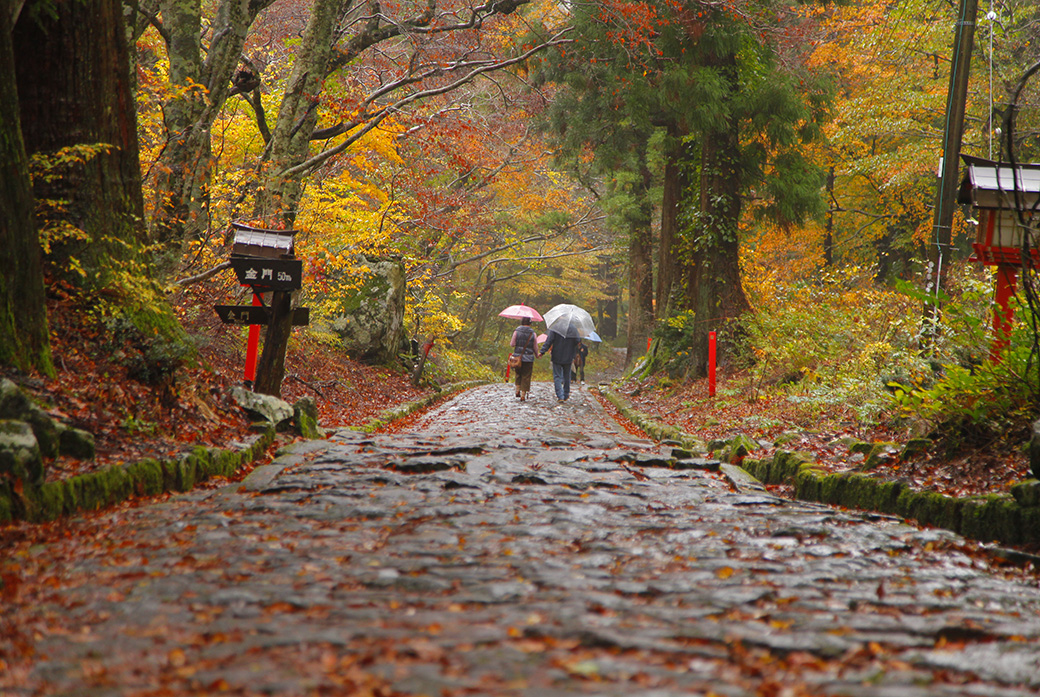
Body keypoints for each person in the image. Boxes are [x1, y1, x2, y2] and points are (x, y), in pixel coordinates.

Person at [538, 328, 580, 401]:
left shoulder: (556, 328)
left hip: (557, 355)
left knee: (557, 376)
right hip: (568, 355)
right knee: (567, 376)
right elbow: (577, 341)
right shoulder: (573, 329)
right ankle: (566, 394)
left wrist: (542, 352)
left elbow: (549, 341)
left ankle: (560, 396)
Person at [509, 317, 538, 402]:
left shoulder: (516, 332)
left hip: (518, 357)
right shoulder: (533, 333)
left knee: (518, 373)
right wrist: (537, 354)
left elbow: (512, 344)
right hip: (529, 358)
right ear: (530, 323)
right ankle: (523, 395)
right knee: (526, 376)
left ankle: (517, 389)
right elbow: (535, 347)